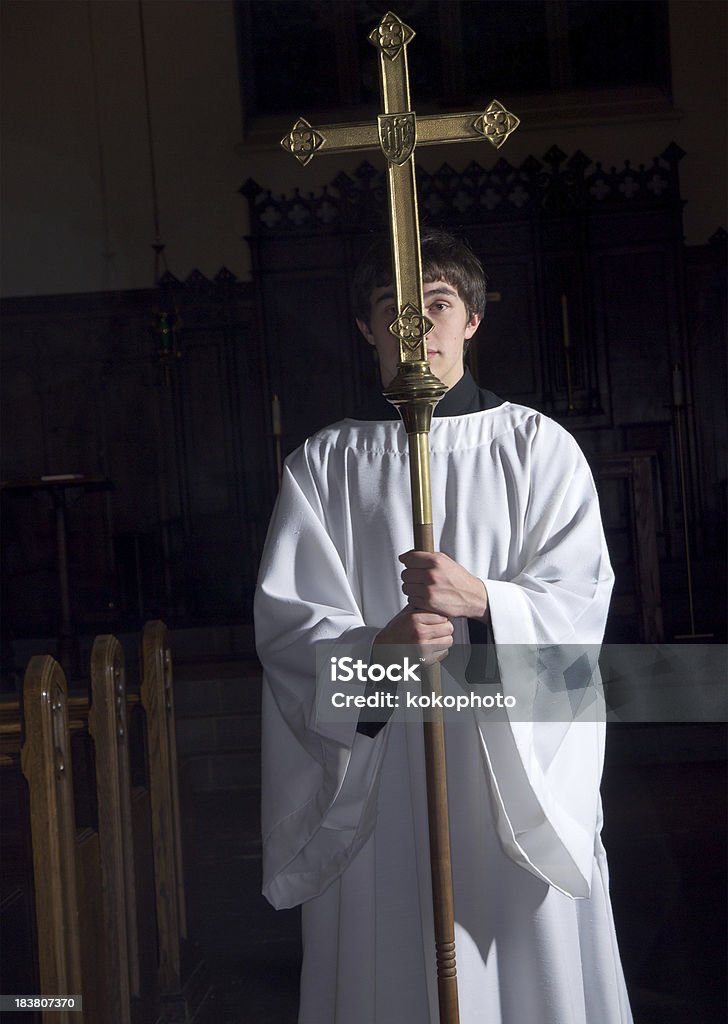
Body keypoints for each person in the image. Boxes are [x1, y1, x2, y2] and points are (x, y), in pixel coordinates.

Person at [254, 230, 633, 1023]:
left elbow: (578, 611)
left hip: (508, 780)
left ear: (472, 320)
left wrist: (489, 601)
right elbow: (291, 635)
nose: (414, 330)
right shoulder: (324, 468)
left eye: (436, 306)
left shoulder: (541, 452)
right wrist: (378, 651)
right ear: (365, 327)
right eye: (393, 311)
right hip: (385, 775)